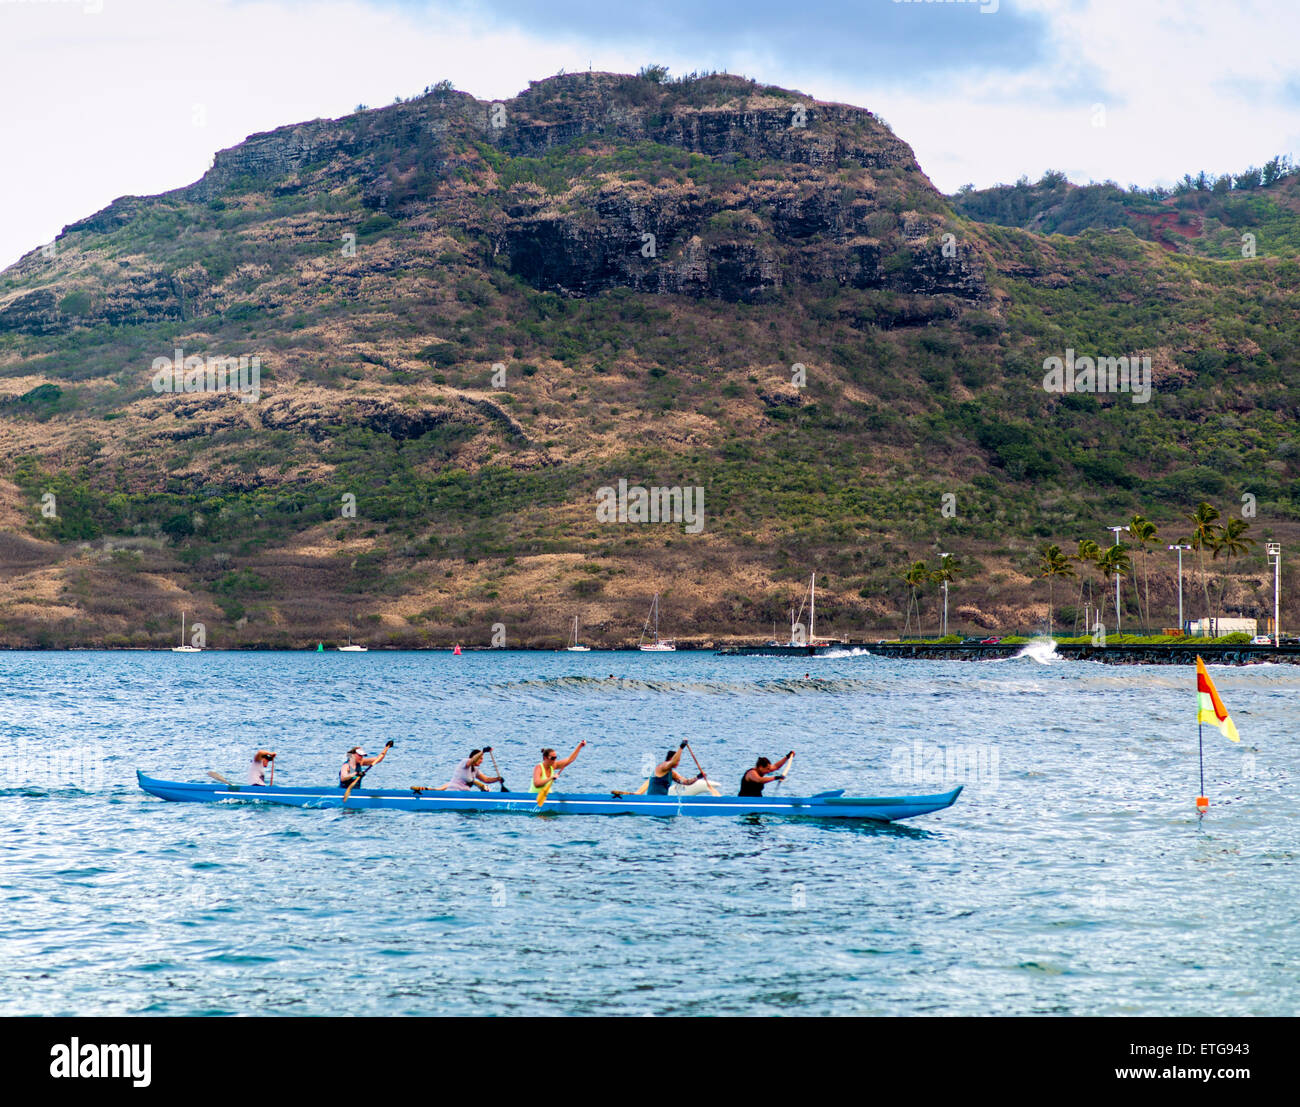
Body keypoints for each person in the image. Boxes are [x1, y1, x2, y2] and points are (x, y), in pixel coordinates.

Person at [432, 748, 503, 792]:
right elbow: (472, 760)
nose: (481, 761)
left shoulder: (475, 770)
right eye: (480, 758)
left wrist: (497, 779)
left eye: (482, 759)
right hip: (454, 792)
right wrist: (483, 752)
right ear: (475, 757)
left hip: (464, 793)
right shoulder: (465, 762)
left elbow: (486, 780)